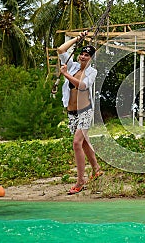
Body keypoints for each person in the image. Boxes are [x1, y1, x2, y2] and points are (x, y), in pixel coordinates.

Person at [57, 31, 103, 195]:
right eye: (82, 54)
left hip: (85, 111)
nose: (83, 57)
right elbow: (61, 50)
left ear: (91, 59)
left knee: (77, 143)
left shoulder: (92, 72)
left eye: (87, 55)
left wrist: (66, 75)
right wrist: (78, 38)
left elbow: (83, 86)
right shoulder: (73, 66)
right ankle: (96, 169)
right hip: (72, 112)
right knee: (83, 143)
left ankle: (80, 181)